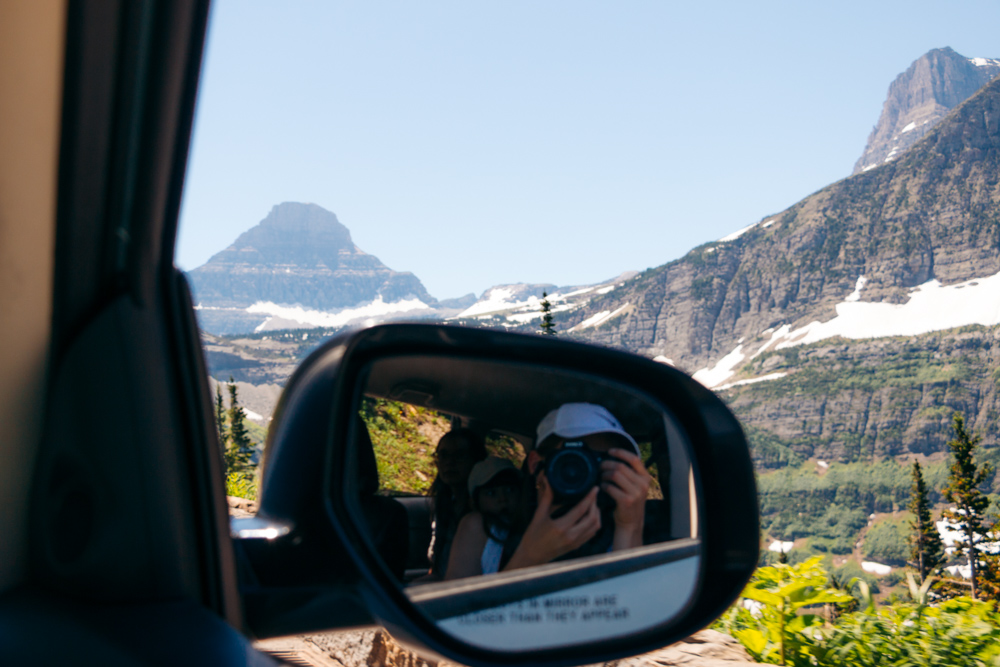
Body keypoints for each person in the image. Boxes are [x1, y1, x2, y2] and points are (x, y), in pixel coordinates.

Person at [501, 403, 652, 572]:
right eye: (572, 461)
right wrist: (530, 555)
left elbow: (627, 598)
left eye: (597, 462)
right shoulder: (491, 535)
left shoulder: (618, 533)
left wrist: (629, 526)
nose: (578, 473)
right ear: (536, 464)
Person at [423, 428, 488, 581]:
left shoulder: (484, 511)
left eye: (460, 455)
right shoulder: (445, 505)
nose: (449, 462)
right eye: (443, 455)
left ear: (476, 460)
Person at [444, 457, 522, 579]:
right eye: (491, 493)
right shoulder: (476, 525)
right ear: (474, 502)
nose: (503, 498)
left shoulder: (535, 524)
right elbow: (458, 588)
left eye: (509, 490)